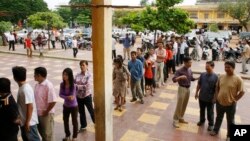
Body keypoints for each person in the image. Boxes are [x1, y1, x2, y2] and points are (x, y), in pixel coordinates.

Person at [210, 61, 245, 141]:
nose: (226, 69)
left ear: (233, 68)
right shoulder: (221, 76)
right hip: (220, 102)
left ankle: (229, 135)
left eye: (228, 67)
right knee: (219, 117)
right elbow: (217, 87)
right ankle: (215, 130)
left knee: (230, 121)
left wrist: (235, 100)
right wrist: (216, 97)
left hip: (231, 104)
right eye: (225, 67)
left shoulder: (238, 79)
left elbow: (242, 92)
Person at [12, 66, 40, 141]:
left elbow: (30, 106)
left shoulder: (26, 89)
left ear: (14, 77)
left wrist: (27, 122)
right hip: (24, 122)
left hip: (29, 123)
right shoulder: (22, 87)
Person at [172, 57, 197, 128]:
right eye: (190, 62)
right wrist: (180, 77)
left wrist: (198, 78)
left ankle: (181, 117)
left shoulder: (189, 70)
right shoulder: (179, 70)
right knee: (179, 105)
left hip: (188, 89)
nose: (191, 63)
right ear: (185, 63)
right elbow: (174, 79)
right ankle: (175, 120)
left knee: (184, 104)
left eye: (191, 62)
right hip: (182, 88)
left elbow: (191, 78)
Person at [34, 67, 57, 141]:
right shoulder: (37, 85)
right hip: (39, 113)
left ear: (39, 75)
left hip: (46, 114)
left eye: (35, 75)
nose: (34, 76)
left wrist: (46, 111)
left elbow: (53, 101)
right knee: (43, 133)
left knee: (48, 135)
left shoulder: (48, 85)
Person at [195, 61, 218, 131]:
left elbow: (217, 89)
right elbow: (199, 84)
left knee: (210, 112)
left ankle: (211, 124)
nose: (206, 67)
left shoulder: (216, 77)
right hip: (202, 97)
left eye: (208, 66)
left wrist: (215, 98)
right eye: (206, 66)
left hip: (210, 98)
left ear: (213, 67)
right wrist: (196, 93)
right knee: (201, 110)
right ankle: (202, 120)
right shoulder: (202, 74)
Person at [75, 60, 95, 132]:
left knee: (91, 110)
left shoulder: (89, 75)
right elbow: (74, 85)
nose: (81, 66)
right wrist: (79, 86)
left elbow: (87, 86)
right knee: (81, 112)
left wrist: (77, 86)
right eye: (80, 65)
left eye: (83, 65)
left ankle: (96, 122)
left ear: (87, 66)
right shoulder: (77, 74)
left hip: (87, 96)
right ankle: (83, 126)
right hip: (78, 97)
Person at [59, 68, 78, 141]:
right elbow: (60, 95)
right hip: (66, 106)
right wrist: (67, 97)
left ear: (70, 76)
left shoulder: (73, 85)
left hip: (74, 106)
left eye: (66, 75)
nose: (64, 76)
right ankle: (67, 135)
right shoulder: (62, 84)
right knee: (65, 121)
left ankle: (74, 137)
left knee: (74, 122)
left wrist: (66, 97)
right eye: (63, 74)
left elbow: (72, 97)